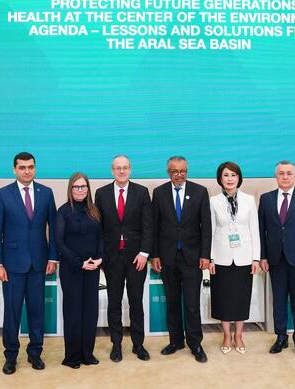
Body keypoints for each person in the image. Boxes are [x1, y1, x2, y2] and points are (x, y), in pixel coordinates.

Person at [0, 152, 58, 374]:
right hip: (12, 266)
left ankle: (35, 353)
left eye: (30, 167)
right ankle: (10, 356)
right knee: (12, 313)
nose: (27, 171)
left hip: (39, 264)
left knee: (37, 311)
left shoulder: (46, 193)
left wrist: (52, 257)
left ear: (35, 168)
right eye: (22, 167)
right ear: (14, 169)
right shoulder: (3, 195)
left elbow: (53, 229)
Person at [151, 156, 212, 363]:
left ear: (187, 170)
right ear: (168, 172)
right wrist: (155, 255)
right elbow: (154, 227)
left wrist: (205, 255)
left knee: (192, 304)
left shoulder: (200, 191)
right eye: (175, 171)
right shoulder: (159, 193)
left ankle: (195, 343)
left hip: (192, 258)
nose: (179, 175)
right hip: (167, 257)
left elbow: (206, 227)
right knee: (172, 302)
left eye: (183, 171)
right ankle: (175, 341)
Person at [94, 155, 152, 362]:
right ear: (112, 170)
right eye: (118, 168)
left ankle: (138, 344)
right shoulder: (101, 194)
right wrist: (101, 257)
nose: (121, 171)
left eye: (125, 167)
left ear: (130, 169)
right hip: (112, 259)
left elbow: (148, 226)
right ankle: (116, 344)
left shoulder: (141, 192)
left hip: (136, 258)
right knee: (114, 303)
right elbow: (98, 229)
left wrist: (144, 253)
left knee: (136, 302)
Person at [259, 160, 295, 360]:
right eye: (281, 173)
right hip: (275, 259)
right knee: (278, 300)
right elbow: (261, 230)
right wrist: (263, 256)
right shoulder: (266, 199)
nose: (285, 177)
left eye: (289, 173)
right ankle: (281, 337)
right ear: (276, 176)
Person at [208, 161, 260, 355]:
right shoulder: (213, 201)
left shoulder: (249, 200)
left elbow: (254, 230)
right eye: (226, 175)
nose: (230, 179)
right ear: (220, 179)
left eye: (233, 175)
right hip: (221, 257)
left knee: (241, 298)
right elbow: (210, 231)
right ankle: (227, 335)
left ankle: (238, 335)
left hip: (244, 257)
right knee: (223, 298)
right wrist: (211, 258)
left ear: (239, 178)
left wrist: (256, 258)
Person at [55, 173, 104, 368]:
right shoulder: (63, 211)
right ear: (70, 189)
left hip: (93, 268)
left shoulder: (95, 210)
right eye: (76, 187)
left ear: (88, 189)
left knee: (90, 312)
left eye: (84, 186)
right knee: (73, 312)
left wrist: (100, 258)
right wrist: (78, 263)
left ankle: (87, 354)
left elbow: (101, 237)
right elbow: (59, 242)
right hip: (72, 269)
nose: (80, 190)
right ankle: (72, 357)